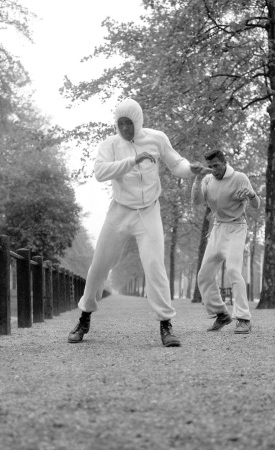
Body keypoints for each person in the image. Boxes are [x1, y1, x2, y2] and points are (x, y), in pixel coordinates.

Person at [68, 98, 208, 347]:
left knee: (155, 266)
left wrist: (191, 169)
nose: (124, 129)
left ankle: (166, 325)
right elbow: (100, 172)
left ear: (138, 121)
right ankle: (84, 317)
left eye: (129, 123)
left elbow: (177, 163)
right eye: (120, 124)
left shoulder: (156, 138)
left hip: (148, 212)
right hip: (119, 212)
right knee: (99, 265)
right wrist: (133, 161)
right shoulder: (110, 144)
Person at [192, 148, 260, 334]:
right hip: (218, 228)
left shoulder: (239, 178)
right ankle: (221, 314)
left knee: (232, 269)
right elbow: (196, 202)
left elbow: (256, 205)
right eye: (210, 167)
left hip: (237, 227)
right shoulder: (207, 180)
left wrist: (251, 195)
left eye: (217, 165)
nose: (214, 170)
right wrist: (197, 178)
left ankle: (244, 318)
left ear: (225, 162)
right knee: (204, 275)